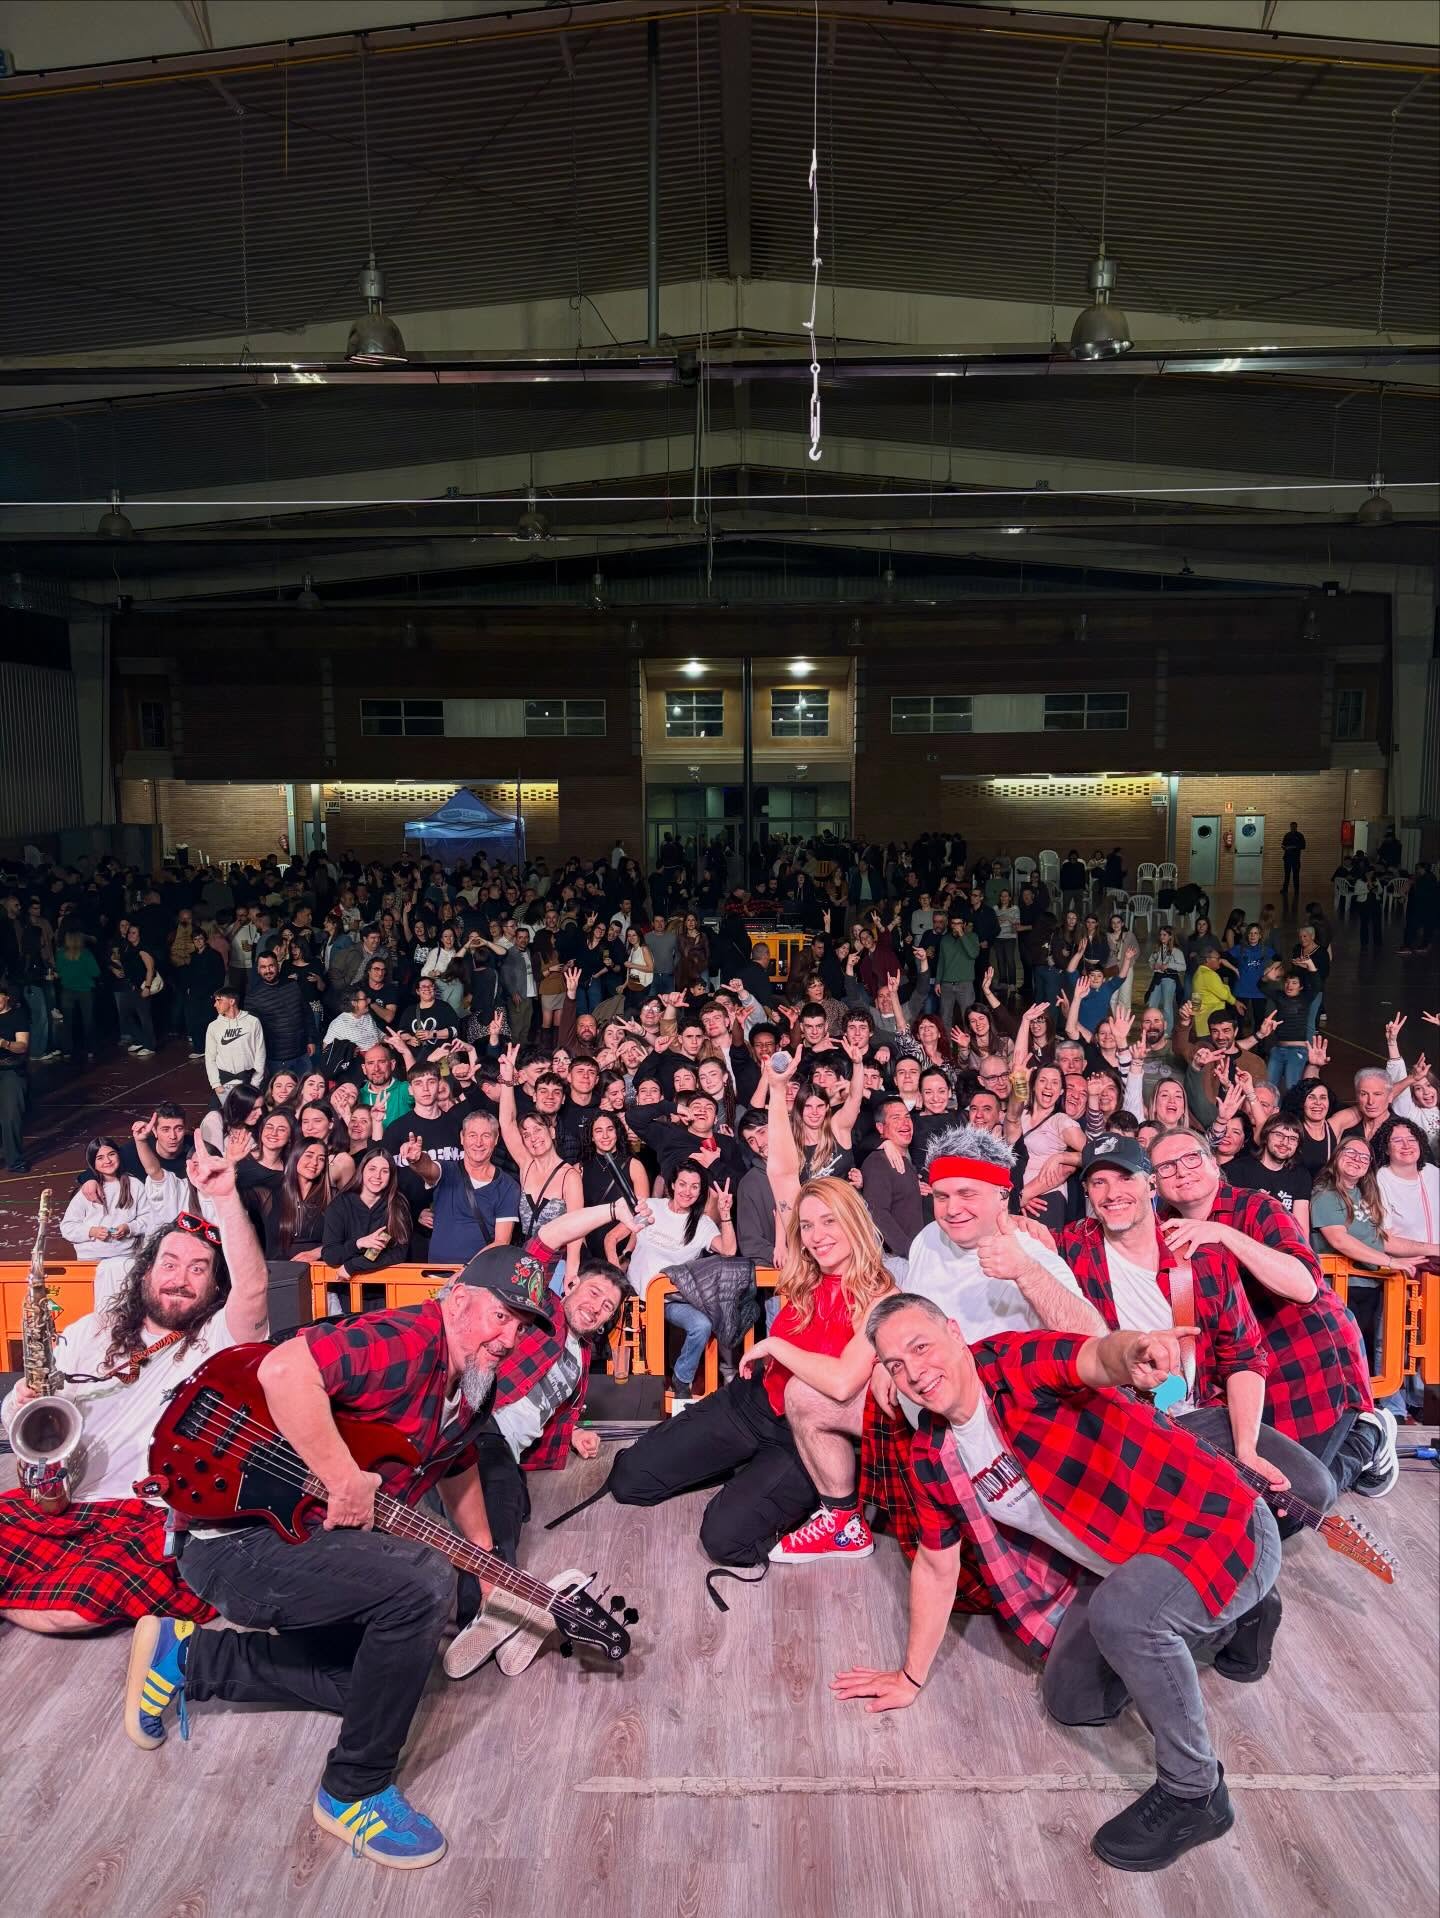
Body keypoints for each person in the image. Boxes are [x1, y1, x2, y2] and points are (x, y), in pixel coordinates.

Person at [128, 1242, 558, 1869]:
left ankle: (190, 1658)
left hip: (306, 1540)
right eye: (502, 1317)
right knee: (422, 1584)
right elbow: (283, 1372)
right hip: (237, 1539)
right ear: (459, 1298)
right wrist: (341, 1477)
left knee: (383, 1682)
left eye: (522, 1327)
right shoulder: (408, 1335)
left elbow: (456, 1461)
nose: (509, 1338)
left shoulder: (474, 1384)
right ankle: (352, 1792)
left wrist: (487, 1560)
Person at [837, 1296, 1280, 1875]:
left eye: (920, 1347)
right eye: (895, 1364)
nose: (914, 1371)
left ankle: (1196, 1792)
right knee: (1074, 1700)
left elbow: (1095, 1357)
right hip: (1132, 1564)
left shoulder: (1016, 1365)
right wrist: (910, 1676)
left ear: (953, 1330)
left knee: (1127, 1618)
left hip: (1219, 1526)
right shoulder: (934, 1453)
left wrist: (1136, 1352)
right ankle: (1237, 1616)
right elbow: (936, 1566)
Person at [0, 1139, 268, 1632]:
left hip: (142, 1511)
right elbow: (18, 1414)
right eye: (169, 1264)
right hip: (61, 1499)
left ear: (214, 1287)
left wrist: (226, 1198)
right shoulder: (91, 1330)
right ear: (146, 1272)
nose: (180, 1279)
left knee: (81, 1603)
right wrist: (20, 1401)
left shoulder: (216, 1340)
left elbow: (253, 1292)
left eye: (198, 1269)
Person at [1054, 1134, 1335, 1521]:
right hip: (1123, 1421)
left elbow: (1244, 1358)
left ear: (1150, 1184)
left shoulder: (1203, 1253)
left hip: (1206, 1406)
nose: (1111, 1193)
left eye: (1124, 1178)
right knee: (1218, 1513)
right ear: (1086, 1191)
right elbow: (1005, 1236)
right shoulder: (1071, 1247)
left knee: (1310, 1491)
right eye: (1099, 1182)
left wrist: (1247, 1449)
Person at [1154, 1128, 1395, 1497]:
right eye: (1166, 1166)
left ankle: (1369, 1435)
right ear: (1155, 1181)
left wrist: (1222, 1233)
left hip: (1309, 1353)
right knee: (1258, 1486)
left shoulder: (1257, 1207)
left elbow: (1304, 1286)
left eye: (1191, 1158)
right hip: (1246, 1366)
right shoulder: (1163, 1229)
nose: (1181, 1171)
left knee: (1299, 1496)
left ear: (1214, 1165)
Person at [625, 1159, 736, 1401]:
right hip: (636, 1295)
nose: (687, 1191)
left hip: (671, 1299)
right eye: (683, 1184)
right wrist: (617, 1263)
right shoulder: (651, 1207)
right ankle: (634, 1396)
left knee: (702, 1325)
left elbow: (728, 1250)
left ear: (701, 1191)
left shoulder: (703, 1224)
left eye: (695, 1187)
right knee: (636, 1354)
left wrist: (725, 1215)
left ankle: (682, 1379)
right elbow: (617, 1237)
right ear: (672, 1185)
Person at [405, 1109, 521, 1265]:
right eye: (472, 1135)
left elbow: (501, 1241)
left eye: (486, 1136)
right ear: (462, 1138)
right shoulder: (446, 1170)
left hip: (480, 1277)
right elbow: (429, 1169)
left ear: (496, 1139)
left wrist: (468, 1271)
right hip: (438, 1273)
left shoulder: (508, 1186)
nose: (478, 1143)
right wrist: (417, 1160)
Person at [60, 1137, 143, 1259]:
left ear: (119, 1155)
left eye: (111, 1154)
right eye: (100, 1158)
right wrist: (91, 1231)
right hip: (91, 1258)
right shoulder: (88, 1190)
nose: (108, 1160)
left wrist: (128, 1228)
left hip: (126, 1256)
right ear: (92, 1163)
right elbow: (67, 1227)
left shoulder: (135, 1185)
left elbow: (148, 1218)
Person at [204, 982, 265, 1095]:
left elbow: (260, 1054)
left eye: (219, 1000)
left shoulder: (253, 1022)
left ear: (232, 1001)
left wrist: (255, 1083)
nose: (215, 1005)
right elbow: (210, 1058)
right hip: (224, 1080)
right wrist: (216, 1084)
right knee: (214, 1113)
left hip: (248, 1079)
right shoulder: (213, 1026)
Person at [0, 980, 30, 1172]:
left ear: (6, 997)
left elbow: (22, 1046)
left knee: (11, 1117)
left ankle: (15, 1160)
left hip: (11, 1070)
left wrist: (4, 1044)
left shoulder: (17, 1016)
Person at [1281, 821, 1306, 907]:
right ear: (1290, 827)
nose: (1293, 828)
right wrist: (1285, 847)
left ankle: (1296, 890)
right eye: (1292, 826)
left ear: (1296, 827)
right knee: (1286, 875)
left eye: (1294, 826)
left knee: (1296, 875)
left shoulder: (1300, 835)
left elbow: (1303, 846)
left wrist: (1294, 847)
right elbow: (1283, 845)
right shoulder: (1287, 835)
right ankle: (1285, 889)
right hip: (1287, 858)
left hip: (1295, 858)